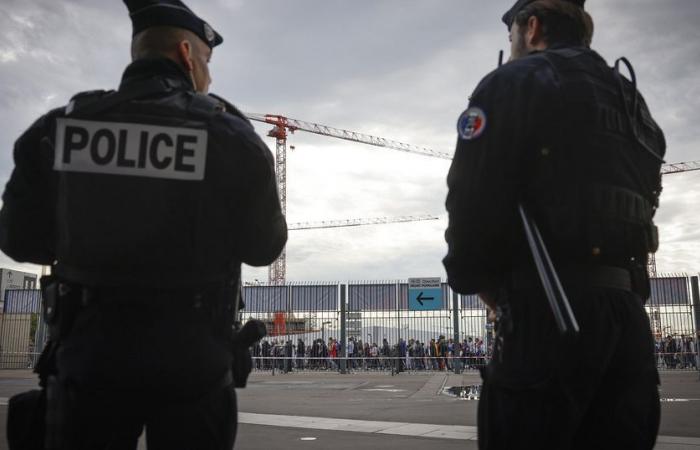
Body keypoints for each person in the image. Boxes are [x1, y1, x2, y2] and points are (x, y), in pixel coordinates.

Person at [0, 1, 287, 449]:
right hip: (194, 361)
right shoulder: (229, 137)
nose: (209, 77)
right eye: (207, 63)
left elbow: (18, 241)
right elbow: (264, 247)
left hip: (88, 357)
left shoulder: (57, 130)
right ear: (187, 56)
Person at [443, 0, 665, 448]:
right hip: (626, 321)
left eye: (512, 37)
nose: (512, 46)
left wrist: (478, 283)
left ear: (532, 26)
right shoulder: (633, 102)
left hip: (546, 316)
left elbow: (469, 199)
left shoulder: (512, 83)